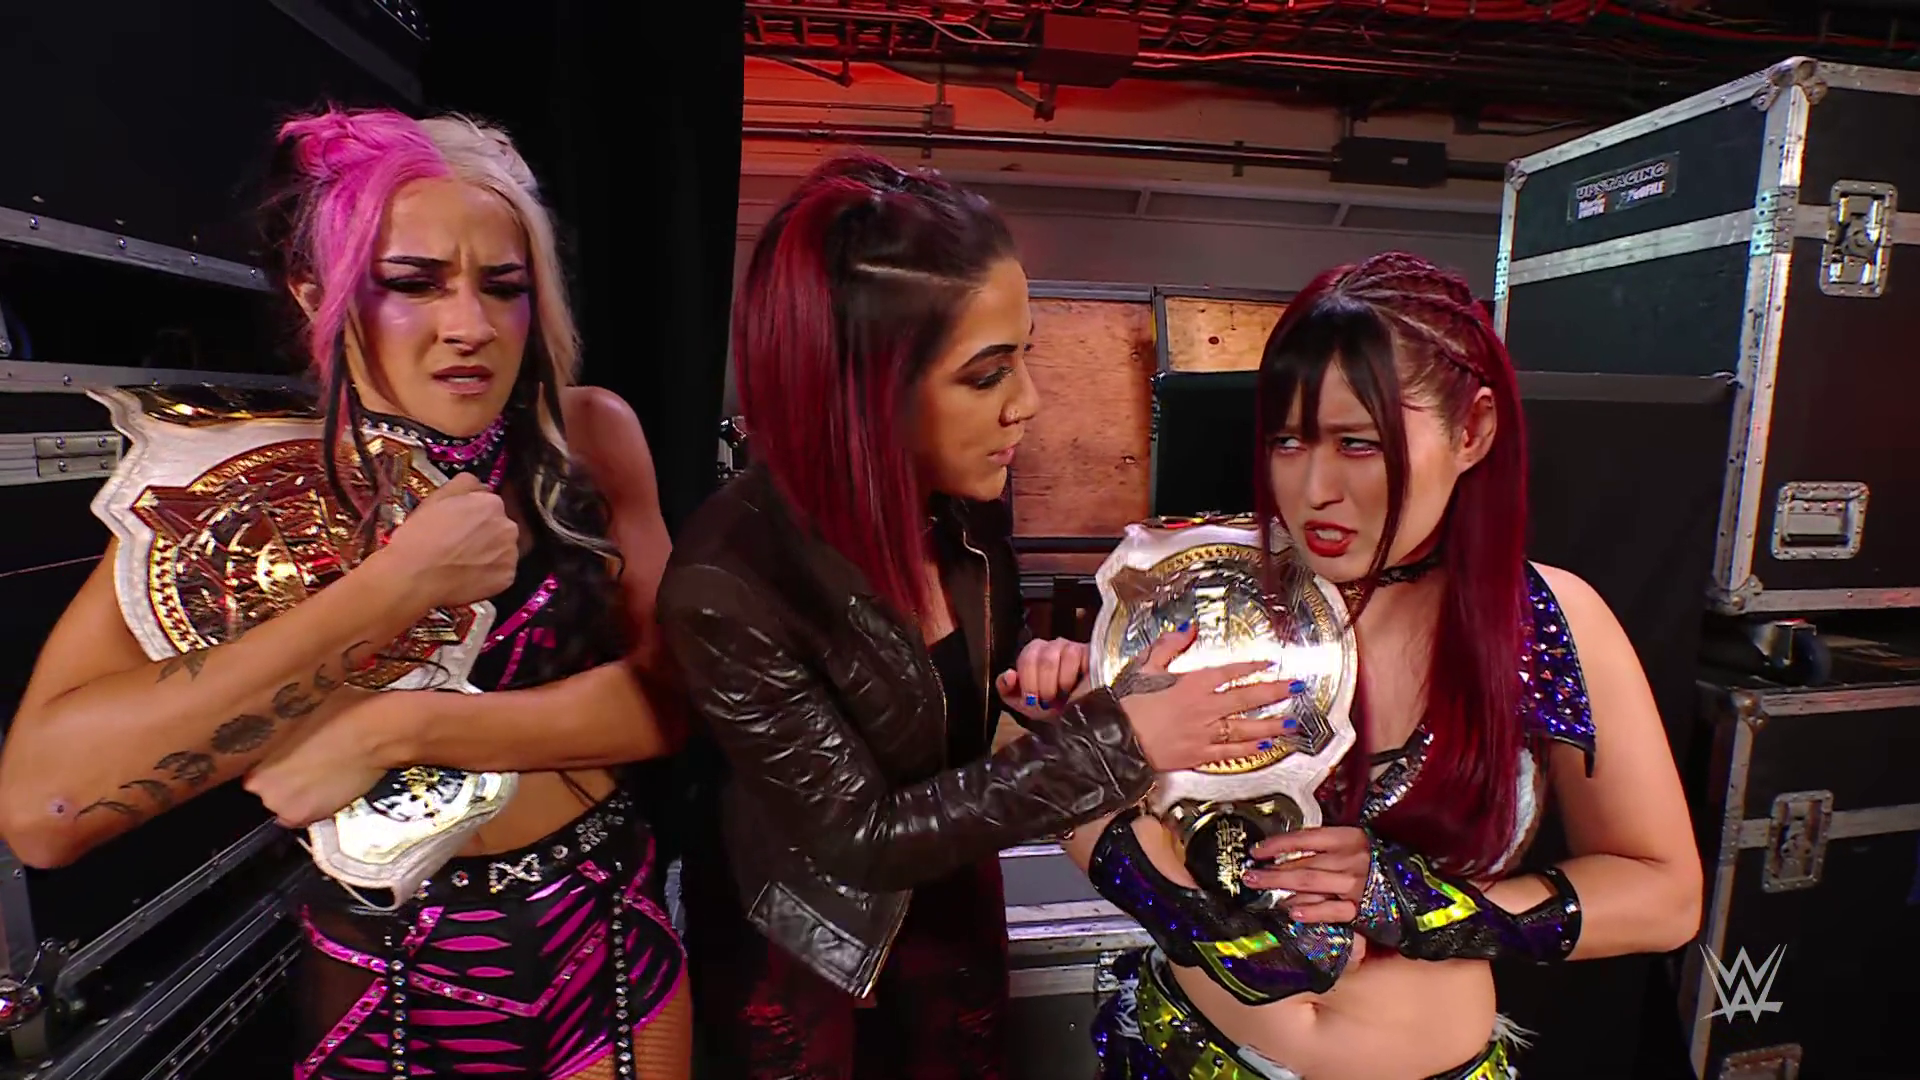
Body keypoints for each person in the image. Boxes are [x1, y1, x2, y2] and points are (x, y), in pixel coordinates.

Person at [0, 108, 690, 1080]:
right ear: (317, 294)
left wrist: (397, 730)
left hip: (608, 932)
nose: (470, 327)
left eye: (505, 287)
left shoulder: (587, 438)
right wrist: (391, 590)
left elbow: (678, 698)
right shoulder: (246, 492)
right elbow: (45, 810)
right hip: (387, 983)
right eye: (412, 283)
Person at [653, 152, 1302, 1080]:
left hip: (953, 921)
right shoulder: (729, 580)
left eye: (1024, 356)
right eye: (988, 374)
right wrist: (1116, 742)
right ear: (863, 387)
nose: (1029, 404)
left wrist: (1043, 684)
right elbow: (860, 838)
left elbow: (954, 702)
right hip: (819, 971)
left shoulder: (963, 507)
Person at [1056, 252, 1704, 1080]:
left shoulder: (1545, 619)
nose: (1314, 488)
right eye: (1288, 441)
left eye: (1358, 444)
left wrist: (1428, 906)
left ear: (1472, 432)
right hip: (1184, 1055)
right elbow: (1075, 792)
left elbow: (1665, 894)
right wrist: (1192, 913)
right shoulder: (1206, 590)